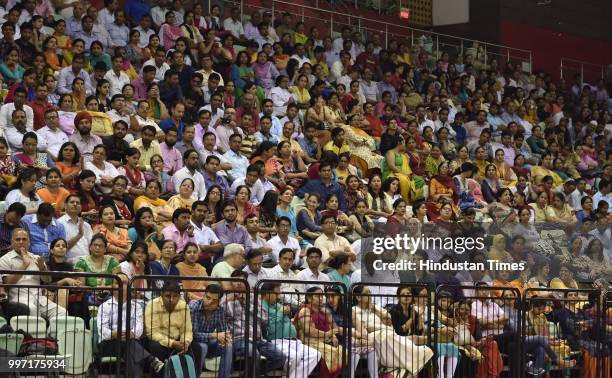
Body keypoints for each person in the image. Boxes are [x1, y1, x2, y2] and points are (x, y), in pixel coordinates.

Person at [97, 272, 165, 377]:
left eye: (124, 283)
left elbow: (139, 329)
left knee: (131, 350)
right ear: (112, 286)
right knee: (132, 345)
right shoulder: (104, 307)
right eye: (117, 283)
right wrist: (115, 334)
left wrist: (131, 333)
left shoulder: (136, 307)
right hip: (110, 344)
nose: (121, 285)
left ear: (129, 286)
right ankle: (150, 359)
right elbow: (102, 331)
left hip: (131, 342)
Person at [0, 228, 67, 320]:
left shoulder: (36, 258)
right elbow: (6, 284)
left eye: (24, 239)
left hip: (40, 299)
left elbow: (48, 280)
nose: (21, 242)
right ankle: (35, 335)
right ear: (12, 242)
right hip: (19, 299)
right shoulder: (5, 259)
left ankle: (49, 334)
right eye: (18, 239)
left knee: (62, 312)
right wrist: (24, 266)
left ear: (29, 242)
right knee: (32, 309)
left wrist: (42, 269)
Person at [259, 282, 322, 377]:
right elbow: (270, 330)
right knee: (294, 357)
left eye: (279, 293)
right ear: (266, 294)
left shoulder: (278, 305)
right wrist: (280, 313)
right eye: (276, 293)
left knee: (315, 354)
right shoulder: (261, 307)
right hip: (276, 341)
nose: (279, 296)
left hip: (293, 341)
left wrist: (287, 314)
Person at [144, 280, 196, 369]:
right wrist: (172, 343)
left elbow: (187, 330)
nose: (171, 300)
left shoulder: (183, 306)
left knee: (193, 347)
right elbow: (152, 333)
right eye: (168, 296)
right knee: (155, 347)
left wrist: (185, 342)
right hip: (160, 342)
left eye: (175, 296)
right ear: (161, 294)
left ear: (179, 296)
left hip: (178, 341)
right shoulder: (152, 305)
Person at [188, 284, 232, 377]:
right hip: (192, 344)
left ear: (219, 301)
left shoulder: (220, 310)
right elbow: (192, 335)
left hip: (209, 344)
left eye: (214, 300)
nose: (209, 302)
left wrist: (225, 338)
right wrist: (214, 335)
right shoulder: (194, 306)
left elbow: (222, 332)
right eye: (208, 298)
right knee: (203, 347)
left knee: (228, 346)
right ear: (203, 296)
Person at [58, 194, 94, 265]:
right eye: (72, 202)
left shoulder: (86, 225)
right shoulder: (59, 224)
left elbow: (92, 245)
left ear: (81, 207)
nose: (75, 204)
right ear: (65, 206)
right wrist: (79, 235)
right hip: (68, 262)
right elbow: (60, 248)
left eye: (78, 203)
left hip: (88, 261)